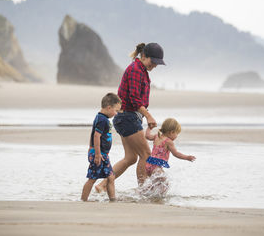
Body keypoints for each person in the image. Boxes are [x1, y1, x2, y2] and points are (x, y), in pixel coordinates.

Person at [95, 42, 165, 193]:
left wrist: (143, 116)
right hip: (127, 117)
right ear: (144, 56)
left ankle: (102, 186)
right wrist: (148, 116)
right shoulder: (135, 70)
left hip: (127, 117)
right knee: (146, 154)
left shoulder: (142, 71)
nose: (155, 66)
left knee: (131, 158)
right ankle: (144, 190)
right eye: (153, 62)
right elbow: (134, 99)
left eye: (157, 63)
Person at [81, 93, 122, 202]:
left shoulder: (102, 118)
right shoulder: (101, 119)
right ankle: (83, 200)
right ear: (109, 107)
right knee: (92, 178)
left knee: (111, 177)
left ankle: (113, 199)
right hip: (98, 154)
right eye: (116, 111)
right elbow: (96, 136)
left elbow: (95, 134)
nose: (116, 113)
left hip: (103, 154)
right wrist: (97, 154)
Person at [143, 118, 196, 195]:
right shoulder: (168, 142)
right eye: (176, 134)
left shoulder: (157, 136)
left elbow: (147, 136)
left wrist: (149, 128)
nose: (176, 136)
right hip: (156, 167)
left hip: (149, 165)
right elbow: (176, 153)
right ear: (171, 132)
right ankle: (159, 197)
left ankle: (146, 193)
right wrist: (187, 157)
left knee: (155, 184)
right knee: (165, 184)